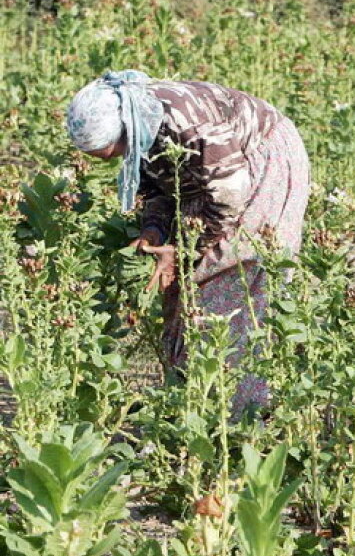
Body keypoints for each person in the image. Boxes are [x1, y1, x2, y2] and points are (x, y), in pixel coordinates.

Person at [66, 70, 311, 416]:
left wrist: (184, 250)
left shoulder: (188, 126)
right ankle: (195, 401)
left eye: (114, 151)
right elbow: (160, 187)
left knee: (237, 271)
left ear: (127, 128)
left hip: (260, 162)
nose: (116, 160)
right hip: (216, 182)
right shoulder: (142, 125)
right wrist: (155, 231)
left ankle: (246, 413)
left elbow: (227, 197)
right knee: (184, 285)